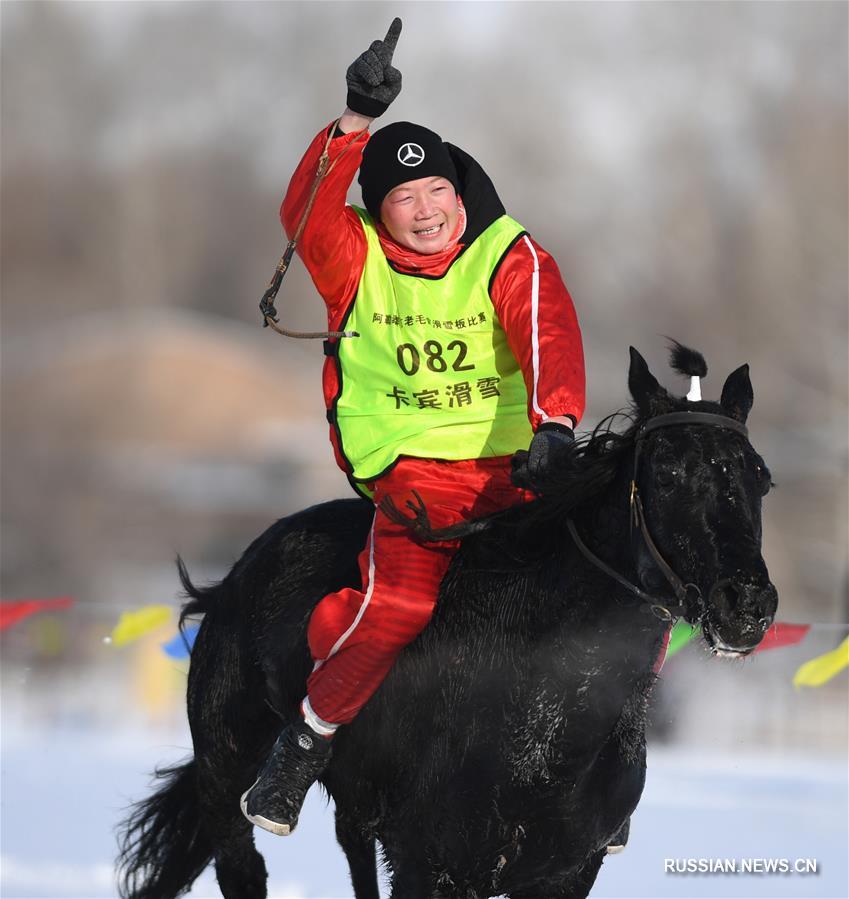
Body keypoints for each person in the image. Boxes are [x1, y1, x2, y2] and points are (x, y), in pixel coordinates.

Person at [241, 17, 585, 837]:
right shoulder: (350, 257)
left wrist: (556, 421)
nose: (425, 210)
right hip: (413, 483)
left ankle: (599, 769)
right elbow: (306, 207)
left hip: (516, 472)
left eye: (436, 190)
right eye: (402, 196)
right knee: (394, 611)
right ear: (379, 210)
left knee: (608, 588)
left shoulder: (508, 252)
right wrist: (354, 119)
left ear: (458, 192)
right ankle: (304, 744)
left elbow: (547, 330)